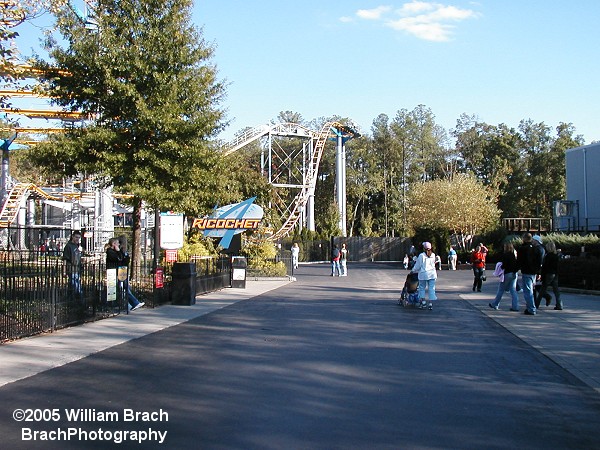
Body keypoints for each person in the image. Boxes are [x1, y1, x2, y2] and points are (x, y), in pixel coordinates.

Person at [105, 237, 144, 311]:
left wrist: (122, 254)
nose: (119, 244)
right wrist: (119, 253)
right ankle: (131, 303)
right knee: (115, 289)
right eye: (117, 243)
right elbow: (119, 259)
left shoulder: (119, 251)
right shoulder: (110, 252)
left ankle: (131, 303)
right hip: (114, 273)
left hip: (121, 271)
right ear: (114, 244)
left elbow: (125, 260)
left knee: (125, 287)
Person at [517, 232, 544, 315]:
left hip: (526, 270)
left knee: (528, 291)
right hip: (533, 271)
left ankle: (531, 308)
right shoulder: (536, 248)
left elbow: (520, 260)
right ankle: (530, 307)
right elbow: (539, 260)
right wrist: (538, 271)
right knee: (531, 290)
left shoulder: (523, 248)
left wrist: (517, 268)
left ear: (524, 239)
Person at [488, 242, 520, 311]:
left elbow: (504, 265)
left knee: (501, 289)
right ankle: (515, 306)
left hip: (507, 273)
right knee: (513, 290)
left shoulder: (506, 255)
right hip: (514, 273)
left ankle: (495, 304)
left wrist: (501, 266)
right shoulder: (513, 255)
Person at [411, 241, 438, 310]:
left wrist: (413, 270)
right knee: (431, 288)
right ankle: (430, 303)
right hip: (432, 274)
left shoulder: (421, 255)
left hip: (423, 274)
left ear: (424, 248)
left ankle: (423, 302)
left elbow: (418, 265)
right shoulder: (433, 255)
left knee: (422, 288)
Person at [537, 241, 562, 310]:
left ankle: (536, 304)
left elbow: (545, 267)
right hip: (555, 274)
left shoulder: (548, 256)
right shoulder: (556, 255)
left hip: (548, 274)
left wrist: (542, 276)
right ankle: (559, 304)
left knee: (542, 289)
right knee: (556, 290)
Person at [62, 231, 83, 304]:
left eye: (79, 238)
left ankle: (73, 302)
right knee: (75, 287)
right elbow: (65, 259)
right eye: (76, 237)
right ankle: (76, 302)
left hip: (77, 269)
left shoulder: (76, 246)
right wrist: (64, 271)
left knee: (75, 286)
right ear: (72, 236)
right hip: (71, 269)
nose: (77, 239)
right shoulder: (68, 246)